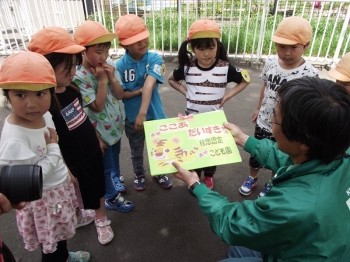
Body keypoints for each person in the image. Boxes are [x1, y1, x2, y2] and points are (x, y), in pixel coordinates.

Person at [172, 77, 350, 261]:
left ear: (304, 142)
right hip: (316, 244)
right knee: (240, 246)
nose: (270, 121)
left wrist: (195, 184)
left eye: (275, 119)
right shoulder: (334, 148)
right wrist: (243, 139)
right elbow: (289, 158)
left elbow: (232, 224)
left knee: (236, 245)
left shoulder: (292, 207)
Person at [28, 26, 115, 245]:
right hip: (72, 159)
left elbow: (82, 118)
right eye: (67, 68)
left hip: (91, 150)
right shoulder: (45, 105)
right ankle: (81, 214)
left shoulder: (71, 88)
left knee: (97, 188)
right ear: (46, 66)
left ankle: (101, 219)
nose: (73, 73)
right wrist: (65, 168)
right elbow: (48, 143)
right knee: (77, 190)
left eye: (74, 66)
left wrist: (96, 138)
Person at [0, 51, 90, 262]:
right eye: (21, 94)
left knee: (59, 238)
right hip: (43, 201)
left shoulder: (44, 114)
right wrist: (52, 150)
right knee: (51, 245)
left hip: (57, 190)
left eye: (40, 94)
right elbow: (32, 178)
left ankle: (65, 256)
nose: (31, 103)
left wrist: (66, 173)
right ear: (8, 95)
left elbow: (53, 148)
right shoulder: (14, 138)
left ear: (51, 92)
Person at [239, 16, 319, 196]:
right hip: (264, 121)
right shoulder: (271, 63)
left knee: (280, 155)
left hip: (286, 127)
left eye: (294, 47)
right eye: (282, 47)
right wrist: (258, 108)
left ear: (306, 45)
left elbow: (308, 105)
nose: (287, 53)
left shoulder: (310, 74)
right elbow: (266, 87)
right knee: (256, 152)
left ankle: (272, 181)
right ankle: (252, 177)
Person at [168, 19, 250, 190]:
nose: (206, 54)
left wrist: (227, 96)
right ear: (192, 48)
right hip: (191, 120)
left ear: (218, 46)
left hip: (214, 121)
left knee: (211, 151)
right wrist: (186, 92)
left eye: (211, 48)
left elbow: (245, 80)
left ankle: (209, 175)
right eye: (201, 49)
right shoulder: (187, 67)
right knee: (194, 149)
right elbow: (171, 79)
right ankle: (195, 176)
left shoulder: (225, 68)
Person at [73, 21, 134, 212]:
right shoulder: (79, 76)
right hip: (99, 133)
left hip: (115, 127)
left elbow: (119, 94)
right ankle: (111, 197)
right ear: (83, 50)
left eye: (106, 51)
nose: (103, 57)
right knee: (105, 167)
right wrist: (102, 80)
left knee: (114, 158)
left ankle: (115, 179)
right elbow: (97, 106)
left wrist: (113, 78)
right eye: (98, 52)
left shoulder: (110, 66)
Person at [114, 14, 172, 191]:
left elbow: (148, 86)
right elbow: (120, 94)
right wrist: (135, 95)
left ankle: (159, 172)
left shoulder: (154, 59)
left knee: (159, 147)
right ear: (124, 44)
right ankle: (139, 174)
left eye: (143, 37)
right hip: (133, 118)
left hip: (154, 114)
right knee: (136, 150)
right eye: (135, 40)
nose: (142, 42)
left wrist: (142, 112)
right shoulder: (120, 65)